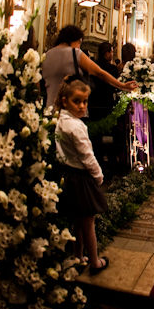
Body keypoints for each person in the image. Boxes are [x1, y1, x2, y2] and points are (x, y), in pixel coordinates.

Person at [54, 77, 110, 275]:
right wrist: (98, 175)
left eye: (85, 101)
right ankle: (95, 261)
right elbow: (87, 155)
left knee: (78, 220)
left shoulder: (61, 121)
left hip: (67, 175)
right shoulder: (76, 127)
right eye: (76, 101)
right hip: (81, 177)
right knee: (88, 222)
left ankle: (78, 255)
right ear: (64, 101)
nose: (81, 106)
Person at [42, 25, 136, 108]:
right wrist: (122, 85)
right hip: (72, 108)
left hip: (50, 108)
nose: (79, 47)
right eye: (79, 43)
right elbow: (99, 73)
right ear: (74, 39)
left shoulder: (47, 55)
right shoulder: (75, 53)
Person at [89, 42, 121, 120]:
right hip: (106, 101)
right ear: (107, 53)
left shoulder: (92, 64)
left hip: (93, 101)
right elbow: (115, 86)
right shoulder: (112, 68)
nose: (112, 54)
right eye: (112, 52)